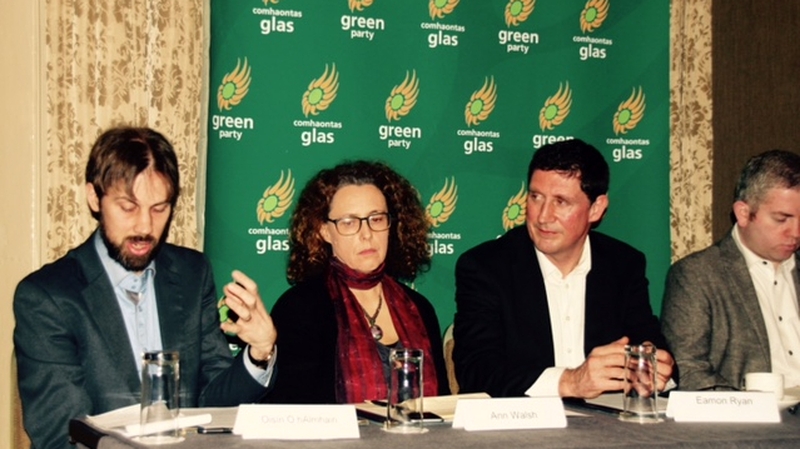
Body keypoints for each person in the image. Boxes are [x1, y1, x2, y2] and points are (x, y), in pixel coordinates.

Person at [13, 126, 277, 449]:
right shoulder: (48, 297)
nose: (144, 226)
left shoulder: (193, 275)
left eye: (159, 208)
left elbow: (215, 403)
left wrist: (259, 354)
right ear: (94, 197)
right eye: (128, 207)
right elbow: (63, 437)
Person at [453, 138, 675, 398]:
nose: (543, 216)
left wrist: (653, 368)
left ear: (596, 209)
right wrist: (570, 382)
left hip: (608, 428)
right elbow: (477, 372)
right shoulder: (486, 267)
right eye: (536, 197)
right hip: (522, 430)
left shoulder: (623, 265)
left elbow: (651, 346)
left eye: (561, 202)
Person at [265, 160, 448, 404]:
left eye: (377, 219)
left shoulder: (419, 308)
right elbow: (296, 412)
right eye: (349, 222)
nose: (367, 233)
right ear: (324, 231)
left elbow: (444, 409)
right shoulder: (300, 309)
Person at [661, 149, 800, 391]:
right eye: (781, 219)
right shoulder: (697, 275)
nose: (796, 232)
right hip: (749, 420)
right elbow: (689, 370)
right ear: (743, 213)